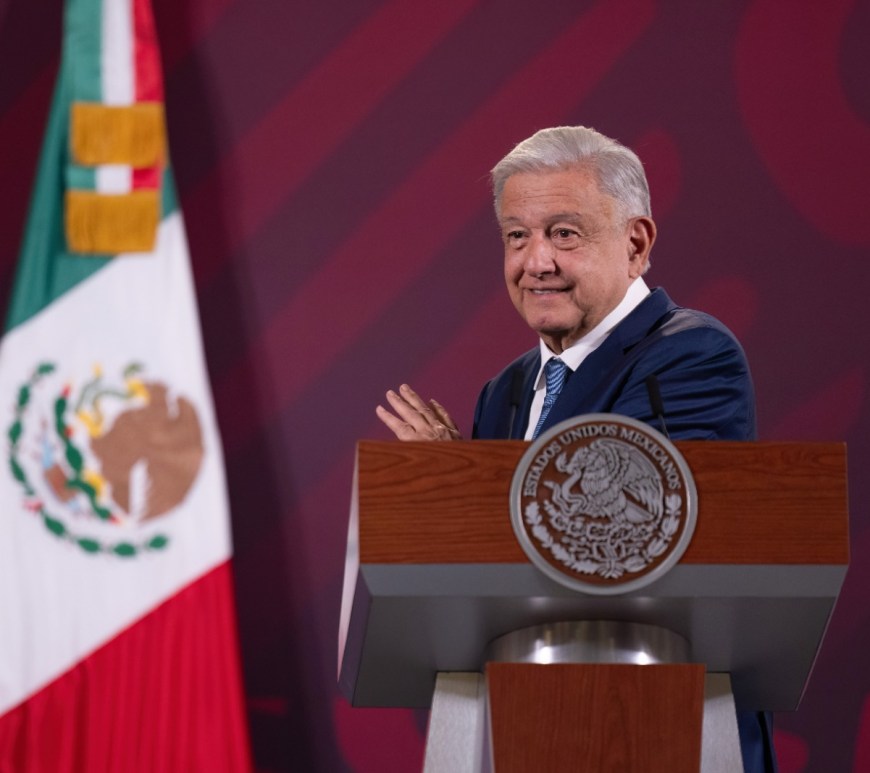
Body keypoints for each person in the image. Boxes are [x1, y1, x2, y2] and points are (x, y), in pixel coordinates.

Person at [375, 126, 773, 772]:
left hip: (660, 729)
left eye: (564, 233)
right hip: (528, 730)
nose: (536, 262)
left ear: (636, 244)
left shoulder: (692, 356)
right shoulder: (505, 392)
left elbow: (622, 540)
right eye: (516, 236)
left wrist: (462, 483)